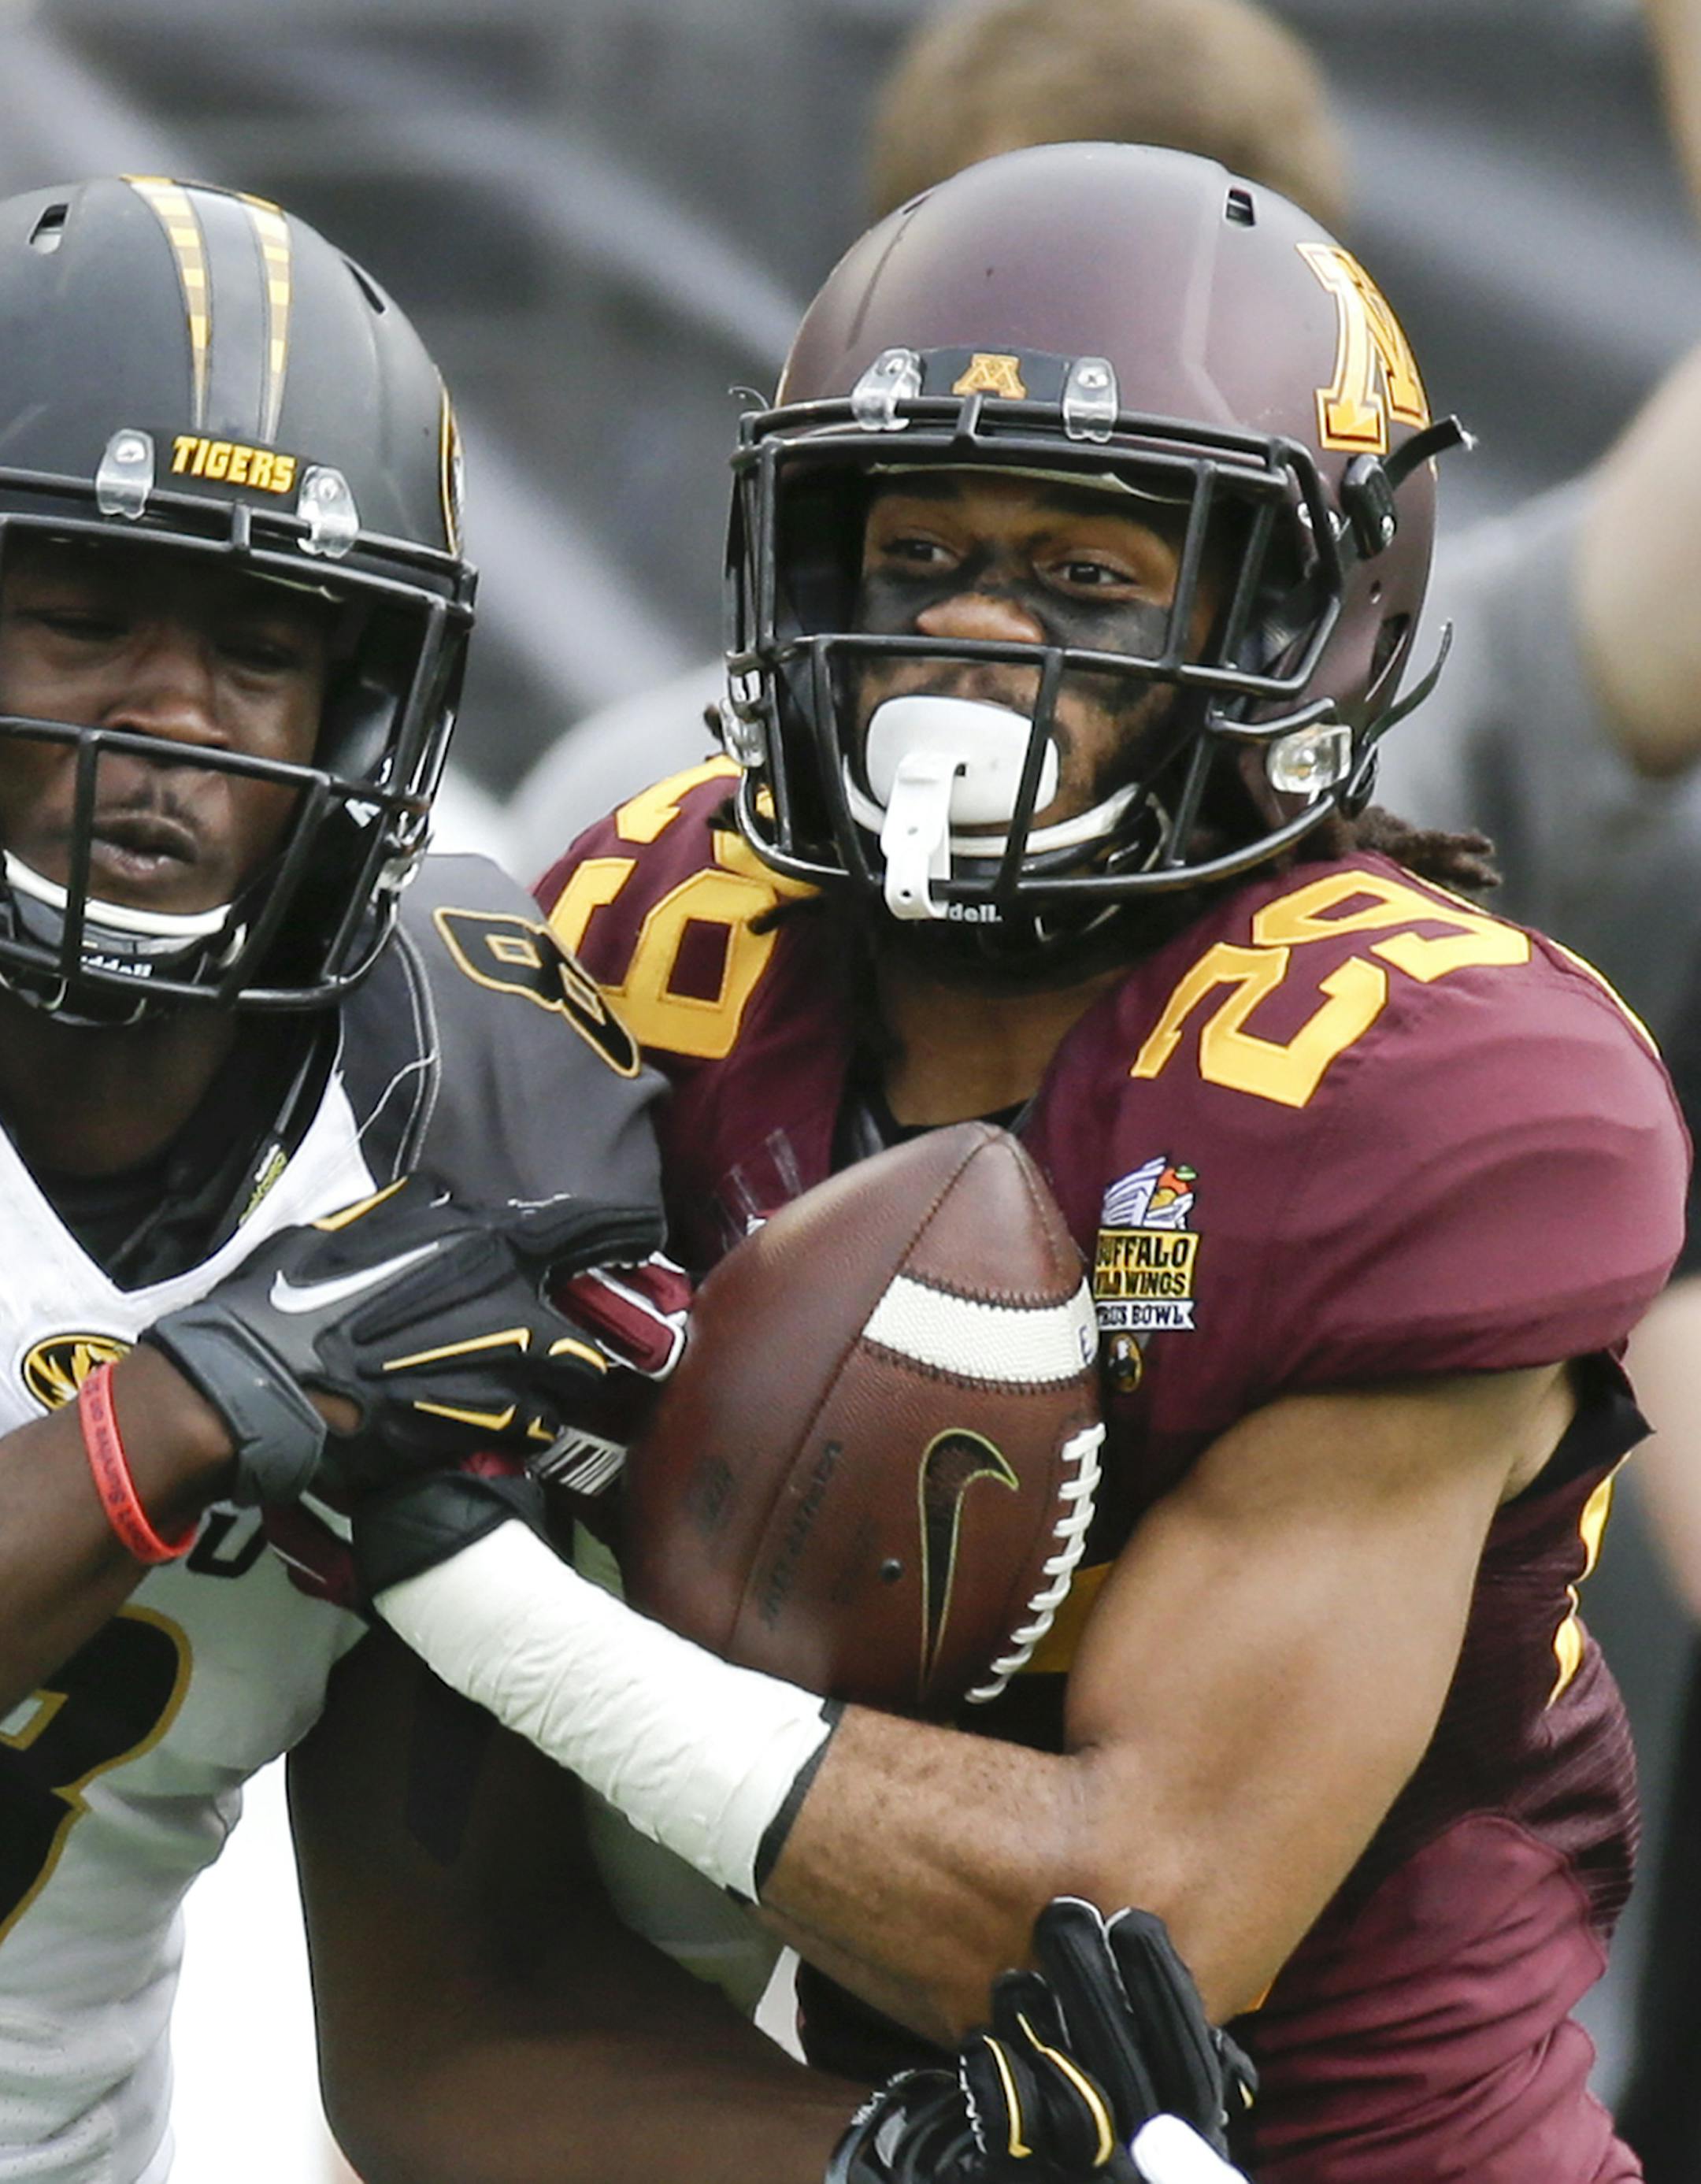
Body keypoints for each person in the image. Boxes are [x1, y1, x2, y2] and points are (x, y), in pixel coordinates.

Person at [365, 143, 1688, 2181]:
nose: (973, 641)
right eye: (914, 558)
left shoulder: (1419, 1077)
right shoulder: (652, 933)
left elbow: (1145, 1927)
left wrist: (461, 1586)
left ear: (1303, 623)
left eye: (1085, 578)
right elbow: (441, 2022)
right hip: (863, 2119)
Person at [0, 174, 862, 2184]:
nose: (169, 720)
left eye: (262, 643)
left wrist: (894, 2159)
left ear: (369, 704)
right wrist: (169, 1427)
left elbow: (449, 2027)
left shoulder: (451, 1123)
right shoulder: (284, 1319)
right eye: (80, 612)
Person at [502, 0, 1347, 880]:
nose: (977, 616)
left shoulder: (1377, 792)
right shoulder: (643, 825)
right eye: (991, 264)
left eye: (1088, 573)